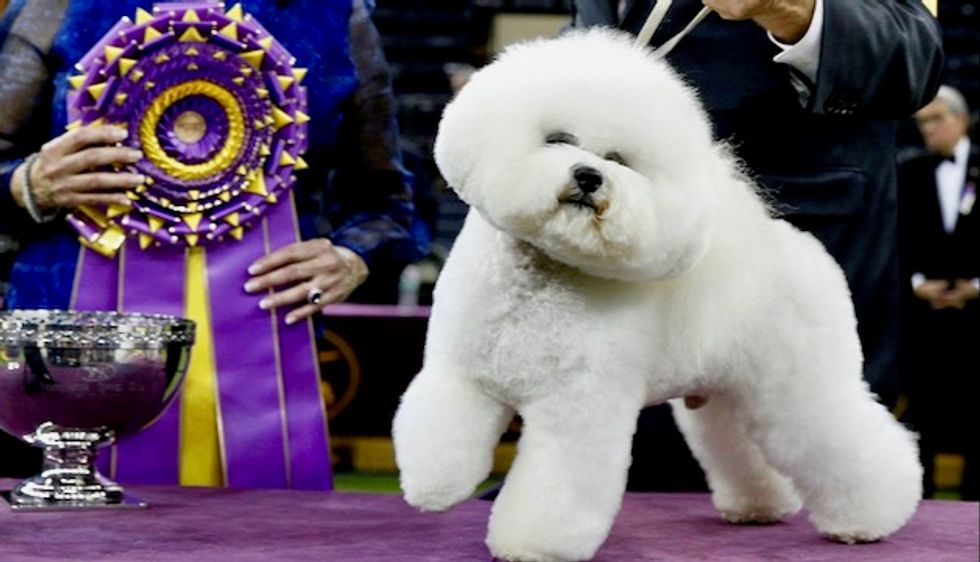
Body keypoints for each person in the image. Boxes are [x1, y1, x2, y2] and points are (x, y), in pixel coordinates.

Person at [0, 0, 426, 488]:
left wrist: (352, 256)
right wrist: (27, 183)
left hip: (265, 348)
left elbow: (387, 205)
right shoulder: (53, 8)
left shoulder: (335, 16)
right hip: (63, 366)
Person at [570, 0, 944, 490]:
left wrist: (792, 9)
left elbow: (913, 58)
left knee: (811, 503)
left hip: (785, 278)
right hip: (617, 298)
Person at [898, 85, 977, 500]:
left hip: (976, 317)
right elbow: (898, 241)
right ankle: (920, 499)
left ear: (962, 120)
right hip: (924, 317)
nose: (928, 129)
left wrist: (974, 286)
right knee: (923, 408)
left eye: (937, 119)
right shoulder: (908, 171)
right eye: (922, 122)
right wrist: (918, 284)